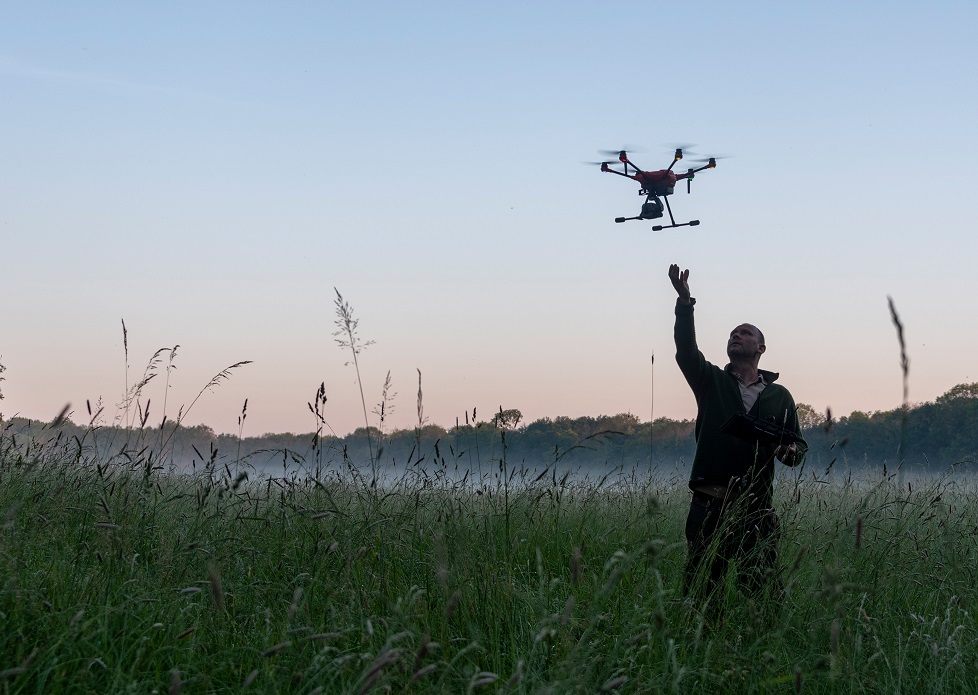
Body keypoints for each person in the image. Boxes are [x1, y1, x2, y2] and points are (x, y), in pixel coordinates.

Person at [668, 263, 807, 619]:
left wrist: (788, 451)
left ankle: (758, 646)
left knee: (762, 595)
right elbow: (686, 351)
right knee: (701, 594)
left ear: (761, 347)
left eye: (745, 333)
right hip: (709, 504)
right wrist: (685, 304)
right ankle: (700, 647)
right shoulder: (710, 380)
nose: (736, 336)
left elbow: (798, 448)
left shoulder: (779, 395)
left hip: (756, 510)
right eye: (732, 333)